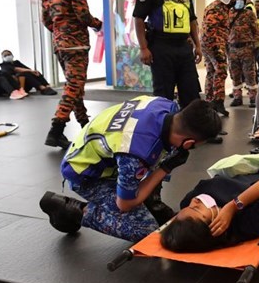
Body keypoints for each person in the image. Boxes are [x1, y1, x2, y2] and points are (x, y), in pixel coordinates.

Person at [39, 96, 222, 242]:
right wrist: (166, 167)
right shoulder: (135, 154)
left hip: (103, 154)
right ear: (189, 142)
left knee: (168, 151)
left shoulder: (165, 105)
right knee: (146, 231)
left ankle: (152, 203)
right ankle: (75, 211)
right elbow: (124, 204)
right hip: (86, 175)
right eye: (194, 146)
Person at [41, 0, 102, 148]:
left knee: (74, 86)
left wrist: (60, 32)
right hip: (76, 45)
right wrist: (98, 25)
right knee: (74, 86)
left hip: (60, 45)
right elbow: (83, 15)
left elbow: (46, 21)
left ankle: (85, 123)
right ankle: (56, 129)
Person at [160, 168, 259, 252]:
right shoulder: (248, 223)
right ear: (215, 227)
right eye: (196, 209)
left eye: (189, 207)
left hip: (248, 172)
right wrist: (234, 205)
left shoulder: (188, 203)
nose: (195, 201)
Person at [132, 0, 202, 109]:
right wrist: (143, 48)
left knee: (191, 93)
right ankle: (164, 131)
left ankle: (193, 132)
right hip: (161, 47)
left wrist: (198, 46)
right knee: (163, 96)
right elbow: (139, 19)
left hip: (184, 47)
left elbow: (192, 19)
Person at [201, 0, 242, 117]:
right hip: (214, 44)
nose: (236, 1)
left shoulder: (221, 7)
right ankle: (217, 101)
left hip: (213, 44)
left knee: (212, 72)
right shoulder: (216, 9)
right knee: (220, 71)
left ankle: (209, 101)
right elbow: (210, 30)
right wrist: (217, 49)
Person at [227, 0, 259, 108]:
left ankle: (253, 98)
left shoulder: (249, 14)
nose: (239, 1)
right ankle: (237, 97)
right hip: (232, 49)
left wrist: (256, 46)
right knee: (234, 74)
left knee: (249, 74)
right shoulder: (229, 13)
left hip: (247, 48)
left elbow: (256, 30)